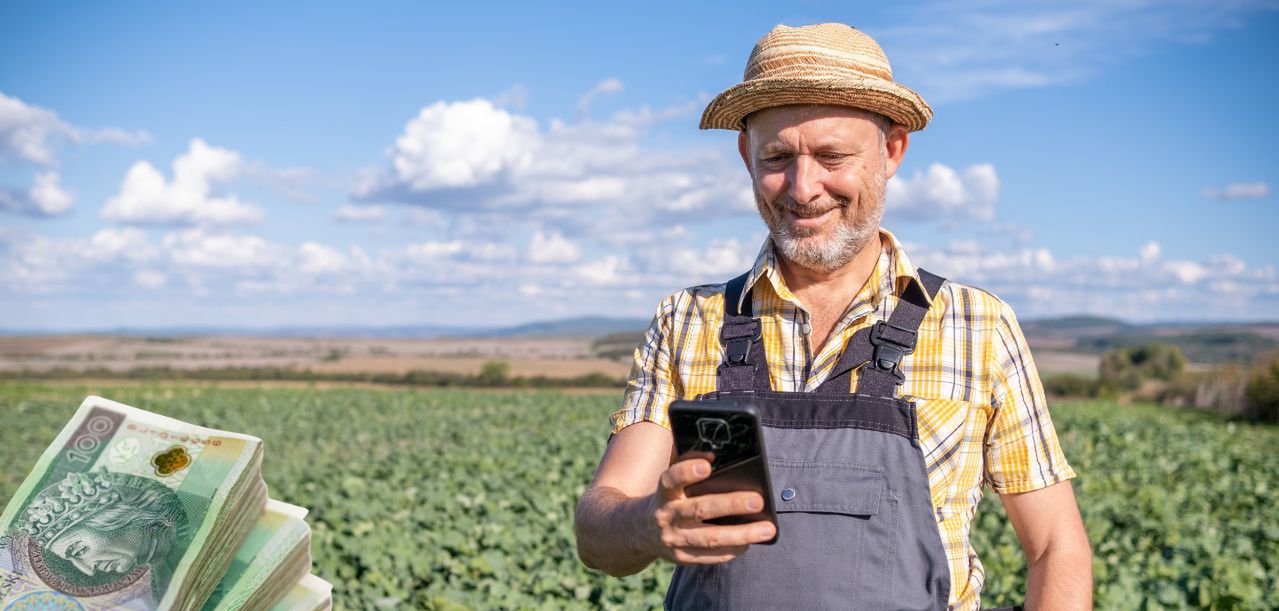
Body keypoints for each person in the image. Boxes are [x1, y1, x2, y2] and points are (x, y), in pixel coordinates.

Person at [574, 22, 1093, 610]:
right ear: (746, 155)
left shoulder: (980, 326)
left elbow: (1056, 547)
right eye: (776, 157)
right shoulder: (688, 321)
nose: (803, 187)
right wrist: (646, 523)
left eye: (832, 155)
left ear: (892, 150)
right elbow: (599, 528)